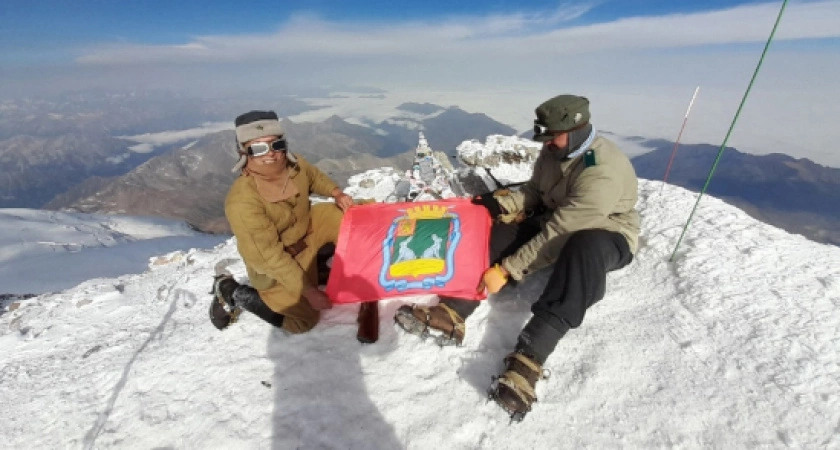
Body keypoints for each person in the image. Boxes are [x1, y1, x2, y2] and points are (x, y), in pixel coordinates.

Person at [394, 95, 640, 420]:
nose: (546, 143)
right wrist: (500, 204)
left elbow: (562, 232)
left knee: (584, 250)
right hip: (556, 219)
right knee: (497, 234)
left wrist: (507, 269)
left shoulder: (602, 171)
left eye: (553, 136)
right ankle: (452, 312)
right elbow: (536, 192)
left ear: (577, 131)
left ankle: (529, 360)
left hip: (605, 233)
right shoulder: (555, 151)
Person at [209, 110, 354, 334]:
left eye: (276, 145)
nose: (270, 154)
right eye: (258, 148)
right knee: (304, 321)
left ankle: (320, 263)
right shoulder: (242, 201)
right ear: (243, 152)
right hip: (278, 265)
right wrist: (309, 291)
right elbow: (270, 258)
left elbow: (313, 177)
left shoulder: (293, 164)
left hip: (307, 230)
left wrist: (336, 193)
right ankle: (233, 291)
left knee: (352, 218)